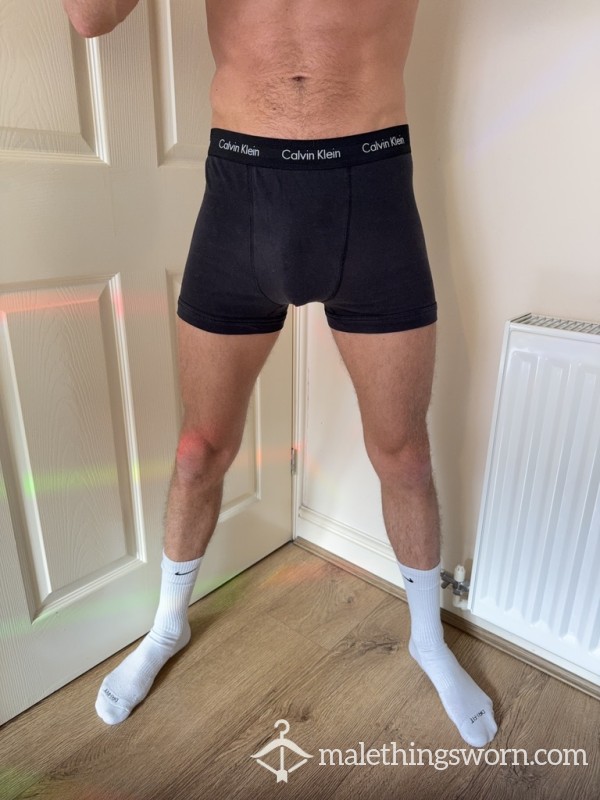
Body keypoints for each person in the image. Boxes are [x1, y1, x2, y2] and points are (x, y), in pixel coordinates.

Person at [62, 0, 497, 747]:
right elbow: (90, 17)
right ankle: (166, 625)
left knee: (404, 455)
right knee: (198, 450)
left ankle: (429, 640)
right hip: (241, 191)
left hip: (372, 189)